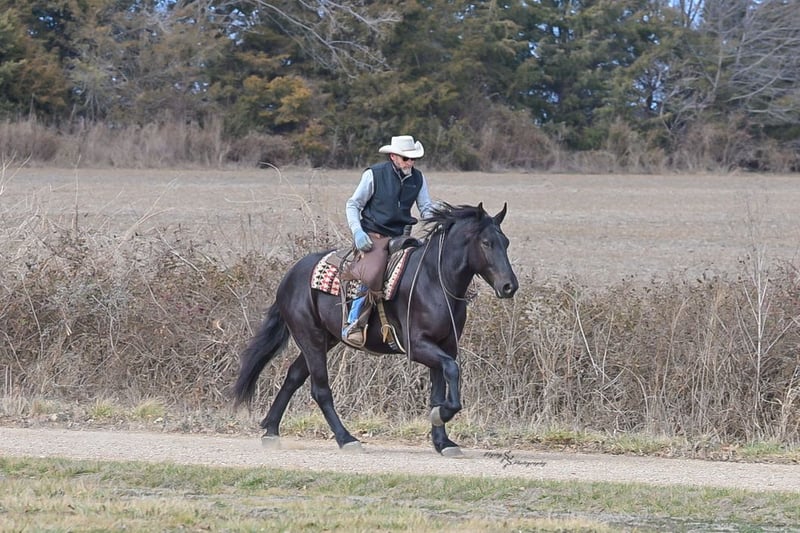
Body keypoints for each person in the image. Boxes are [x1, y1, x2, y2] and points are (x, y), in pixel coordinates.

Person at [342, 135, 435, 346]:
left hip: (402, 237)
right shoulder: (374, 174)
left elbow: (426, 208)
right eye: (406, 158)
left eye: (413, 159)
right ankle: (354, 323)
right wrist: (358, 232)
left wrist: (441, 219)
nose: (410, 163)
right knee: (373, 272)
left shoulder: (418, 179)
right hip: (373, 236)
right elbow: (353, 204)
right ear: (393, 156)